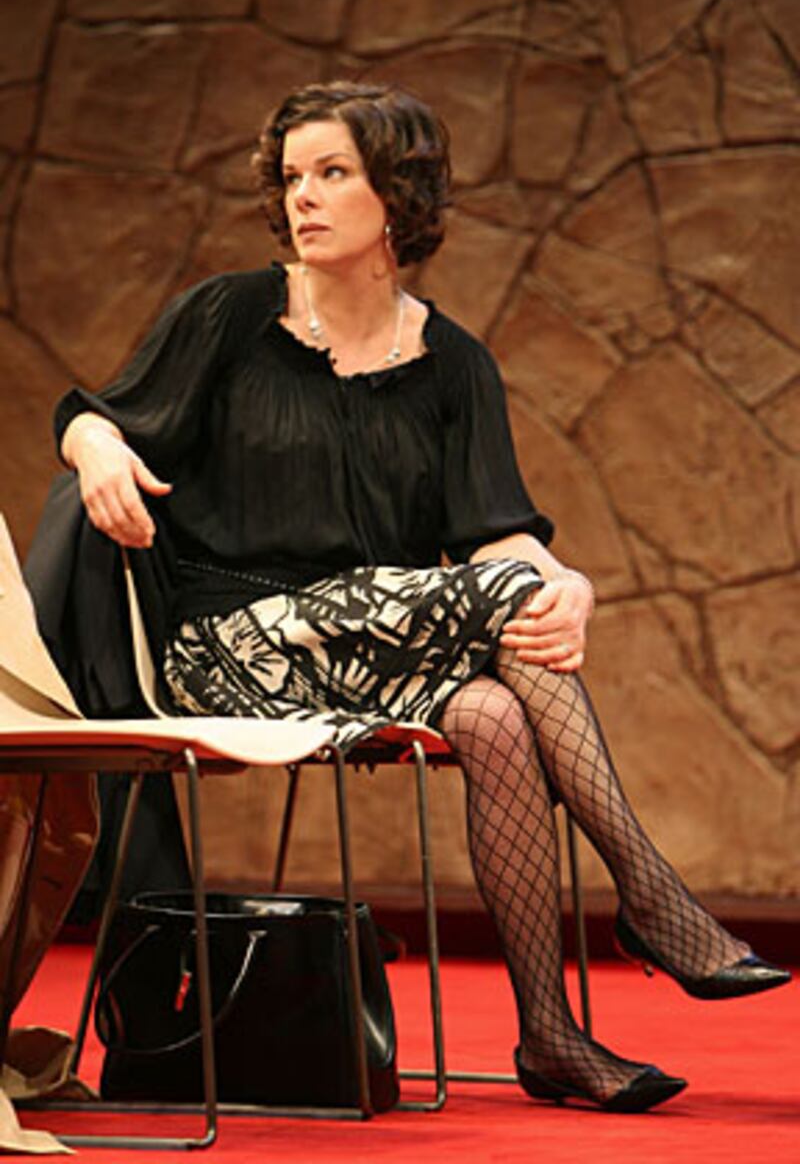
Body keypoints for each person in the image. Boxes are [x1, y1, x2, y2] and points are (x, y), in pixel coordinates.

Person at [53, 80, 790, 1114]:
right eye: (292, 176)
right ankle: (651, 895)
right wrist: (92, 448)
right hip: (228, 642)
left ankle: (550, 1035)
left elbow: (496, 533)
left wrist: (569, 585)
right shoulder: (229, 315)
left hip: (374, 651)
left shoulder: (454, 364)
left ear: (396, 196)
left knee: (492, 715)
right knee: (500, 609)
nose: (302, 197)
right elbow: (94, 414)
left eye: (332, 173)